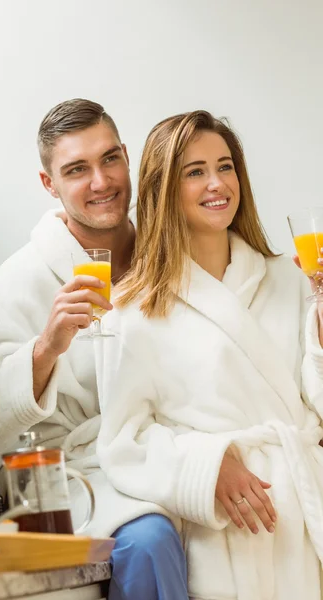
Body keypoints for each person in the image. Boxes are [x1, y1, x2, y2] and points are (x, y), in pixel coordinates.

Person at [0, 99, 188, 600]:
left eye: (109, 159)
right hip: (86, 478)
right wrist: (45, 349)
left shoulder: (172, 257)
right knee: (148, 542)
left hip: (173, 458)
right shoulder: (21, 280)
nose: (101, 181)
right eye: (77, 169)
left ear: (127, 156)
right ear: (49, 184)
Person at [95, 109, 323, 600]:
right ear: (163, 189)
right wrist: (207, 463)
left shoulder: (290, 279)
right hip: (223, 537)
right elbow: (121, 443)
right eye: (194, 171)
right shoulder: (131, 312)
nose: (216, 183)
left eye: (225, 166)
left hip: (305, 518)